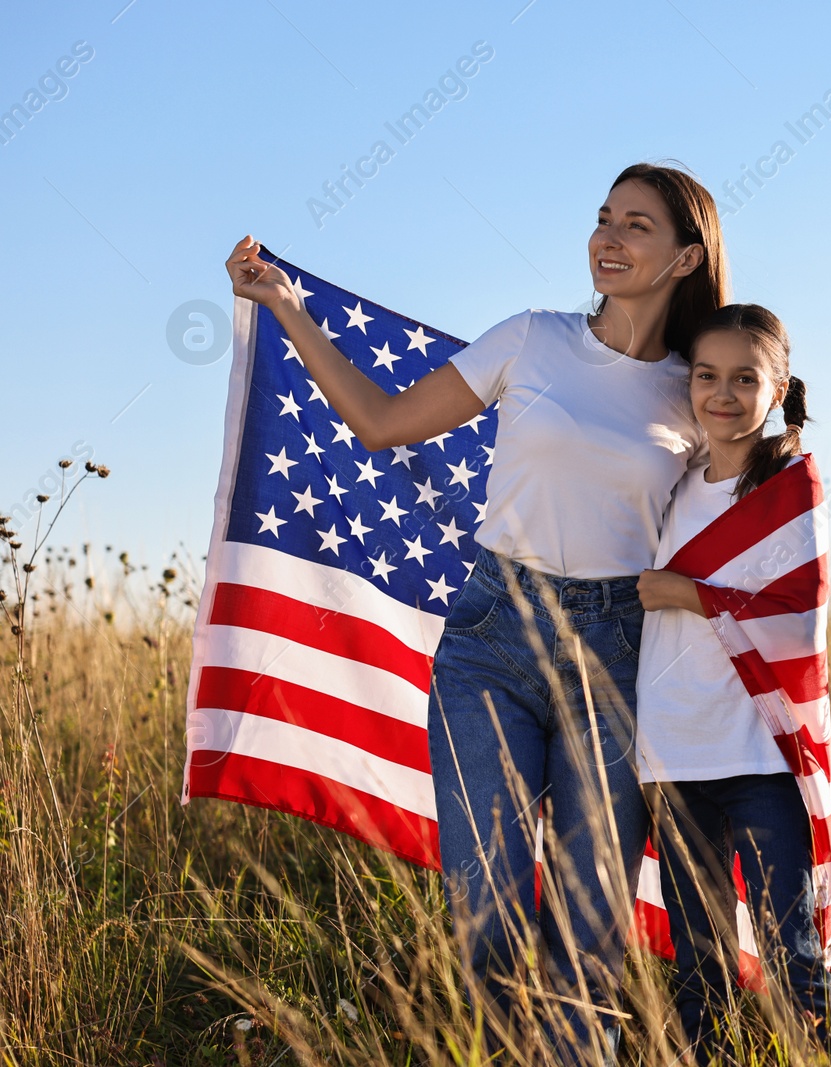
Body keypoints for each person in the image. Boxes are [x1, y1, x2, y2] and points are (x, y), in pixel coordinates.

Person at [224, 162, 729, 1061]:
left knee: (590, 927)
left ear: (688, 257)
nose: (608, 238)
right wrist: (284, 306)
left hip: (615, 658)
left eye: (637, 226)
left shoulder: (697, 390)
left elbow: (740, 523)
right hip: (491, 643)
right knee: (488, 907)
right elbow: (381, 422)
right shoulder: (532, 338)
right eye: (603, 217)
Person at [635, 304, 831, 1065]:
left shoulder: (788, 480)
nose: (722, 394)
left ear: (779, 387)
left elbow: (799, 614)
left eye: (744, 379)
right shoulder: (670, 480)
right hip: (674, 753)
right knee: (698, 963)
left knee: (791, 954)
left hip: (759, 756)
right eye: (706, 376)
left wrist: (690, 594)